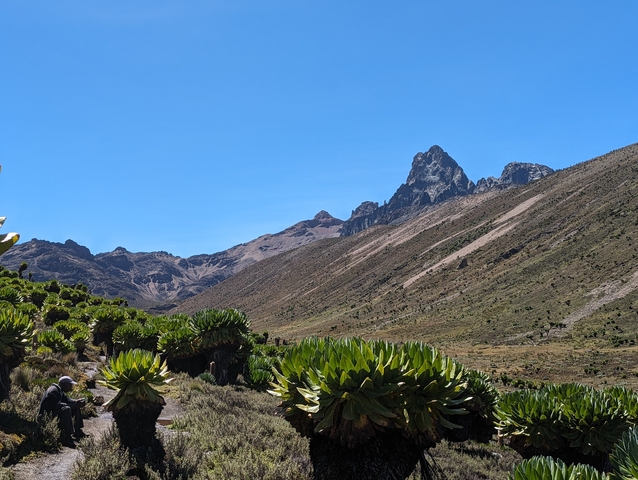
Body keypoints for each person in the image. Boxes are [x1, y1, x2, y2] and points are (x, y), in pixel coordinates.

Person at [38, 375, 86, 447]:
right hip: (46, 416)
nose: (71, 387)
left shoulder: (59, 391)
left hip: (53, 413)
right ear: (64, 384)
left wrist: (76, 402)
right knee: (67, 409)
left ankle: (78, 431)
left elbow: (67, 400)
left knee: (75, 407)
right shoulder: (53, 390)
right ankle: (67, 438)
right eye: (69, 385)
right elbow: (57, 405)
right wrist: (74, 405)